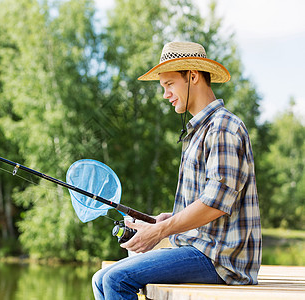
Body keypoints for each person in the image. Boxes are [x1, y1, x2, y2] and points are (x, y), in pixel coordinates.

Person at [92, 41, 262, 300]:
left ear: (193, 76)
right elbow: (210, 203)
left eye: (169, 84)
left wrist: (161, 231)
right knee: (100, 279)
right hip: (199, 249)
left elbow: (216, 204)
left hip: (220, 260)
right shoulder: (200, 131)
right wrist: (167, 219)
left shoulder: (223, 127)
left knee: (117, 279)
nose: (165, 94)